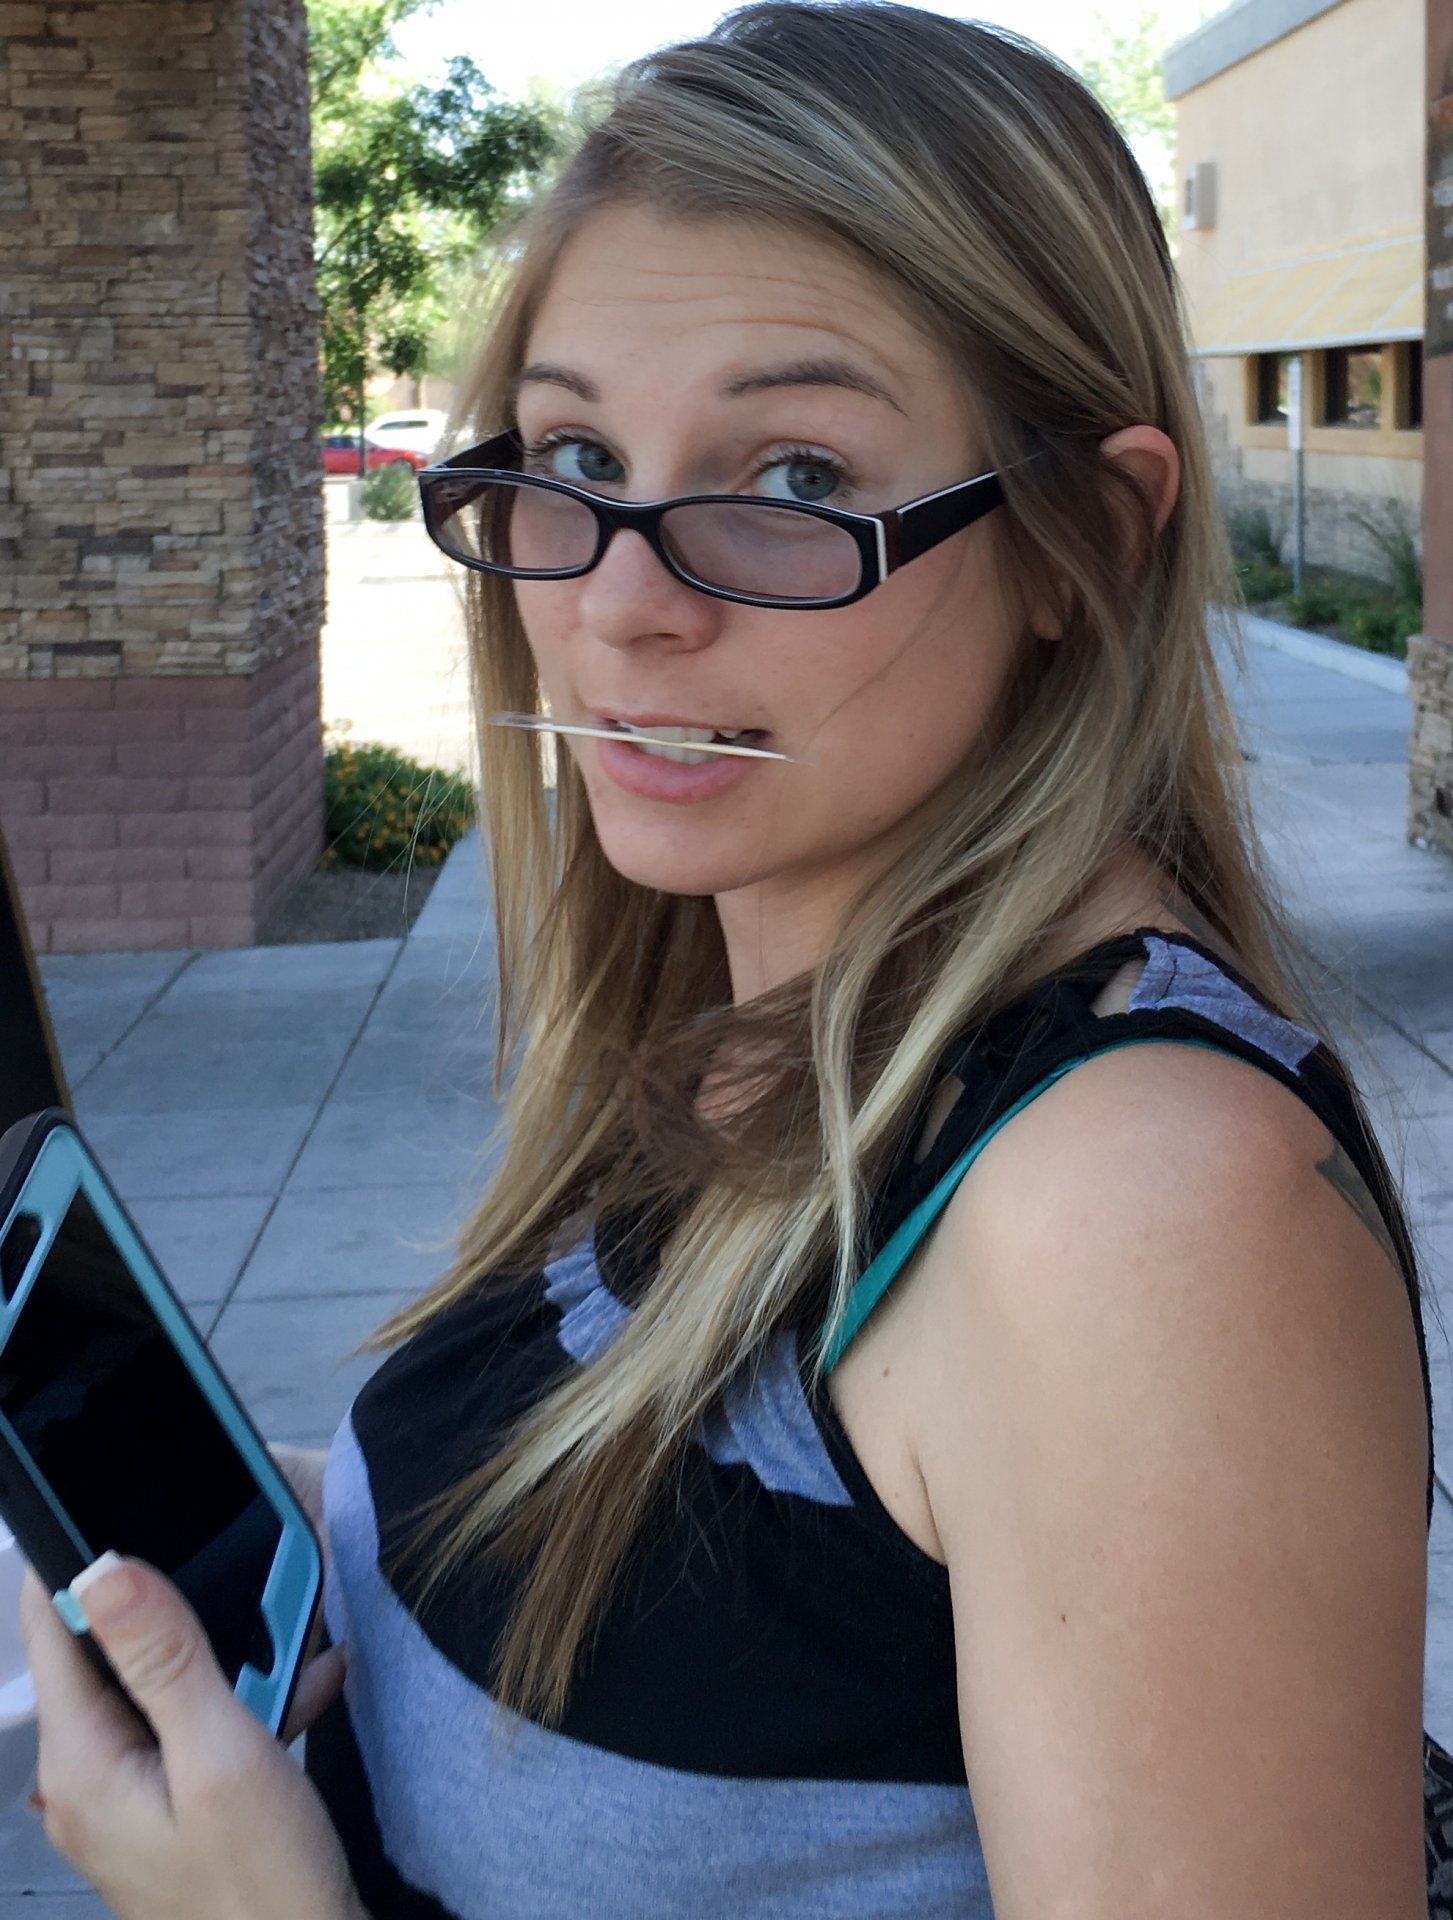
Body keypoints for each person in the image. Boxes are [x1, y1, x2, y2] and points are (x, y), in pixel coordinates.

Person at [19, 5, 1435, 1915]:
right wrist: (394, 1534)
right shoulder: (753, 1023)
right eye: (575, 452)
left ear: (1080, 543)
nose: (618, 605)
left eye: (793, 483)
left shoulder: (1138, 1217)